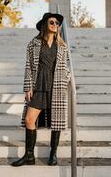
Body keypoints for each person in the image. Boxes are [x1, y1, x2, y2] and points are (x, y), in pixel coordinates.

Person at [11, 12, 71, 167]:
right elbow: (28, 66)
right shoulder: (34, 44)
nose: (55, 25)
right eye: (52, 22)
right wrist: (27, 87)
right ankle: (29, 156)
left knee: (56, 121)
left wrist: (65, 79)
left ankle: (53, 153)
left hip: (56, 85)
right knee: (30, 120)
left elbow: (68, 66)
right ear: (45, 24)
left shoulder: (63, 46)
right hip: (38, 85)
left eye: (57, 23)